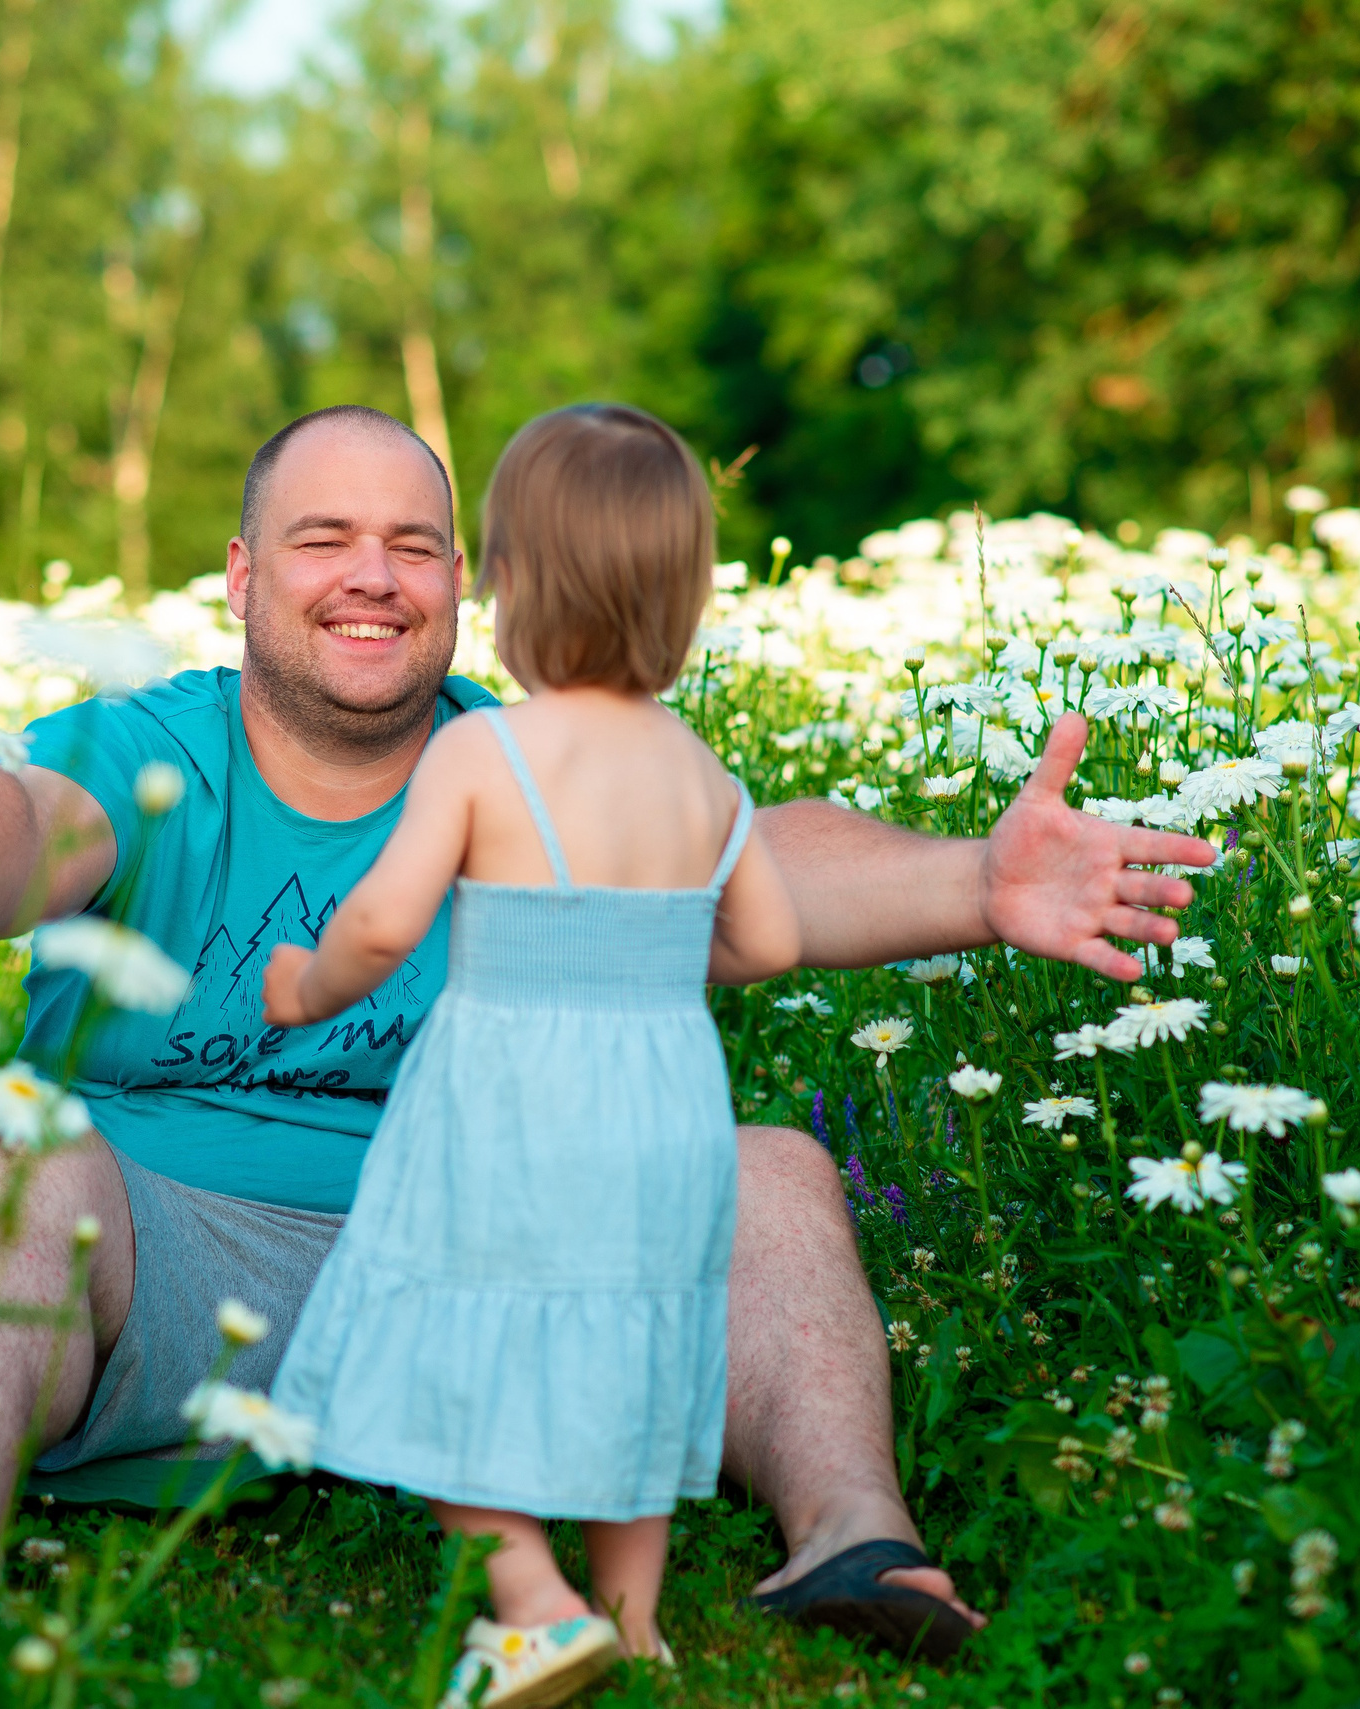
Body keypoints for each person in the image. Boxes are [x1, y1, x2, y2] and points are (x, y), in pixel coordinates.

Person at [0, 403, 1214, 1663]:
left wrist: (978, 879)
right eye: (326, 540)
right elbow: (33, 833)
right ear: (247, 579)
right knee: (26, 1167)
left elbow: (760, 865)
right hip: (183, 1265)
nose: (373, 575)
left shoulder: (527, 750)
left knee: (773, 1170)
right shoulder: (151, 750)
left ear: (468, 585)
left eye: (414, 546)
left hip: (489, 1269)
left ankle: (856, 1538)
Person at [260, 404, 802, 1704]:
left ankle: (533, 1596)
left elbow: (386, 920)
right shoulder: (701, 772)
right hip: (664, 1099)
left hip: (512, 1101)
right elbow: (771, 941)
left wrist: (302, 983)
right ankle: (640, 1617)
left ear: (509, 580)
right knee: (639, 1332)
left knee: (446, 1330)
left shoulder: (483, 749)